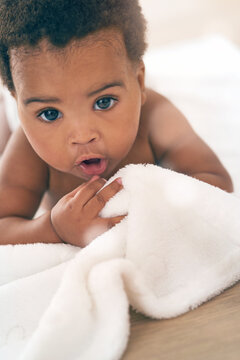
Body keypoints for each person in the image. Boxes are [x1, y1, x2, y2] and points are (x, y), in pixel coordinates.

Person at [0, 0, 233, 247]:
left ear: (139, 82)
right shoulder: (28, 147)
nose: (82, 135)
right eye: (50, 114)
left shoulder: (155, 115)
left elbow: (217, 182)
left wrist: (158, 205)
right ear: (20, 104)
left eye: (104, 102)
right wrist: (54, 228)